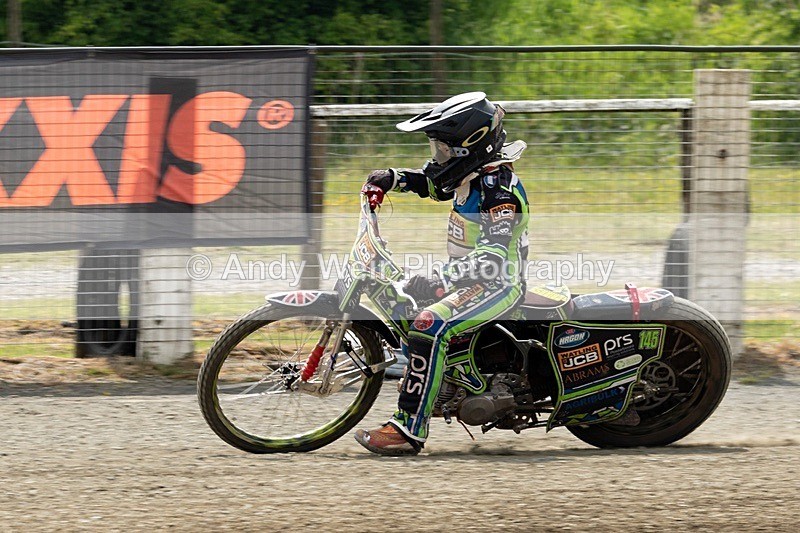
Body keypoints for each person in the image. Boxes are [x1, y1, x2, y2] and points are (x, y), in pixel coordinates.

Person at [354, 92, 531, 456]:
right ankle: (439, 385)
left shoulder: (500, 194)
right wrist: (393, 179)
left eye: (443, 151)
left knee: (428, 324)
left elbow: (493, 260)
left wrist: (440, 279)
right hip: (469, 279)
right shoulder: (471, 176)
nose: (438, 158)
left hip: (497, 284)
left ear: (470, 149)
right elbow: (432, 185)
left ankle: (408, 428)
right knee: (405, 307)